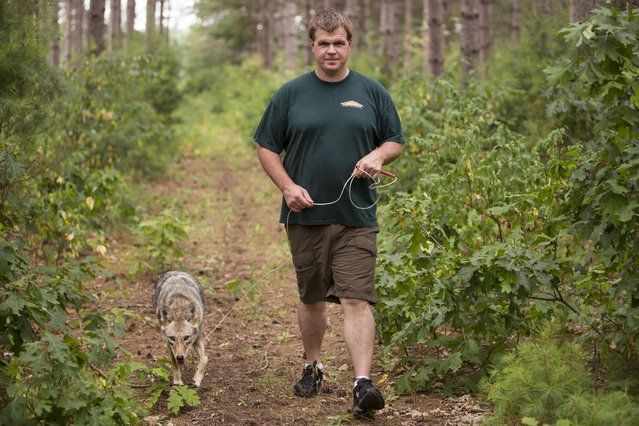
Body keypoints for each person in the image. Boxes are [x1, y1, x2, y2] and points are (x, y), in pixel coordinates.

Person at [253, 8, 405, 417]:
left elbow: (395, 140)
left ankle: (362, 384)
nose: (332, 50)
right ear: (312, 46)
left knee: (357, 298)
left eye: (339, 42)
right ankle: (312, 365)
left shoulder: (372, 92)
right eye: (324, 43)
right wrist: (287, 187)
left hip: (358, 214)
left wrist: (377, 154)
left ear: (350, 44)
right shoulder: (290, 94)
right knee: (312, 296)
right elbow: (266, 147)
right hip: (306, 214)